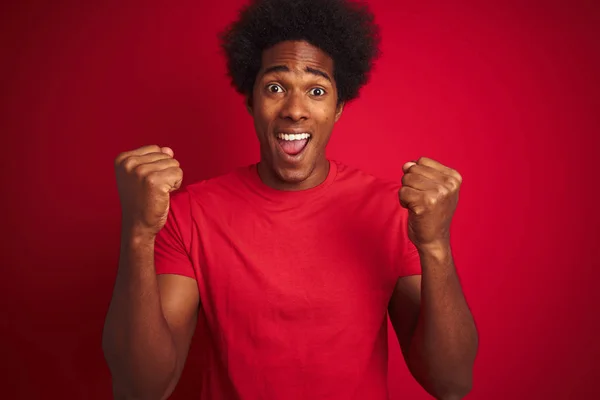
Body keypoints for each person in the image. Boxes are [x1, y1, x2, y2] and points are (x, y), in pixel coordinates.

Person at [102, 0, 479, 399]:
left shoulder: (392, 211)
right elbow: (142, 389)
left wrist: (435, 246)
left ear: (337, 109)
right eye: (276, 87)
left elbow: (450, 383)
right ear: (251, 101)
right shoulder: (191, 214)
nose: (295, 110)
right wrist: (139, 234)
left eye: (316, 90)